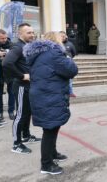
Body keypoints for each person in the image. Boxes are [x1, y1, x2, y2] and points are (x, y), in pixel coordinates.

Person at [23, 31, 78, 174]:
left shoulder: (39, 54)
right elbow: (71, 70)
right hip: (49, 96)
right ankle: (46, 165)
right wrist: (68, 57)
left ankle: (52, 154)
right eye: (61, 38)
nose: (63, 41)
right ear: (55, 40)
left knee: (52, 127)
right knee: (50, 130)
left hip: (44, 94)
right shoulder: (54, 53)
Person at [3, 23, 41, 154]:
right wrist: (21, 76)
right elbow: (7, 63)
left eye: (32, 32)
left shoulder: (26, 46)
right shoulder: (17, 47)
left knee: (27, 112)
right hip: (20, 86)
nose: (32, 34)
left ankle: (26, 136)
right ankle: (16, 144)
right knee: (20, 115)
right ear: (20, 34)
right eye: (28, 33)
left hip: (29, 86)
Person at [0, 29, 15, 125]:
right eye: (1, 38)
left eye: (5, 38)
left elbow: (15, 54)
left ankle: (11, 111)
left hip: (9, 72)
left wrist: (7, 53)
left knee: (11, 92)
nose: (4, 40)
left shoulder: (10, 44)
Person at [60, 31, 77, 97]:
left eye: (64, 36)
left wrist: (69, 58)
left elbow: (74, 53)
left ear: (66, 36)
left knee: (70, 80)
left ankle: (70, 92)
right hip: (60, 64)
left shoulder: (70, 44)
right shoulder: (57, 44)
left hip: (68, 64)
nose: (63, 37)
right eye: (61, 36)